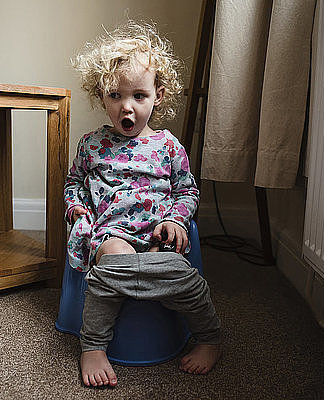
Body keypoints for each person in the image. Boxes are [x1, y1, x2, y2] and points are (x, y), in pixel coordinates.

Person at [64, 21, 221, 387]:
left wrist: (178, 221)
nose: (126, 107)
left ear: (159, 95)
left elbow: (187, 191)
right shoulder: (91, 143)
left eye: (139, 96)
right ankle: (94, 345)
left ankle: (209, 338)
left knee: (178, 271)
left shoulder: (168, 146)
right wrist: (76, 208)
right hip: (113, 234)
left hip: (157, 235)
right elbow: (74, 184)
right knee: (113, 262)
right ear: (101, 96)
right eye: (115, 96)